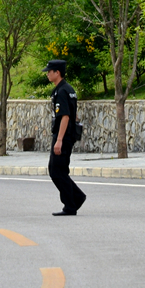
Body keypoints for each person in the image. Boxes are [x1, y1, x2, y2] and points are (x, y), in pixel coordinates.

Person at [45, 59, 86, 216]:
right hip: (67, 134)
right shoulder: (68, 89)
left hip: (63, 135)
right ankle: (76, 197)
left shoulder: (62, 91)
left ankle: (71, 204)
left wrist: (59, 140)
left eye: (50, 71)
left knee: (57, 171)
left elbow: (66, 116)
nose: (48, 74)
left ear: (58, 72)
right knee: (57, 170)